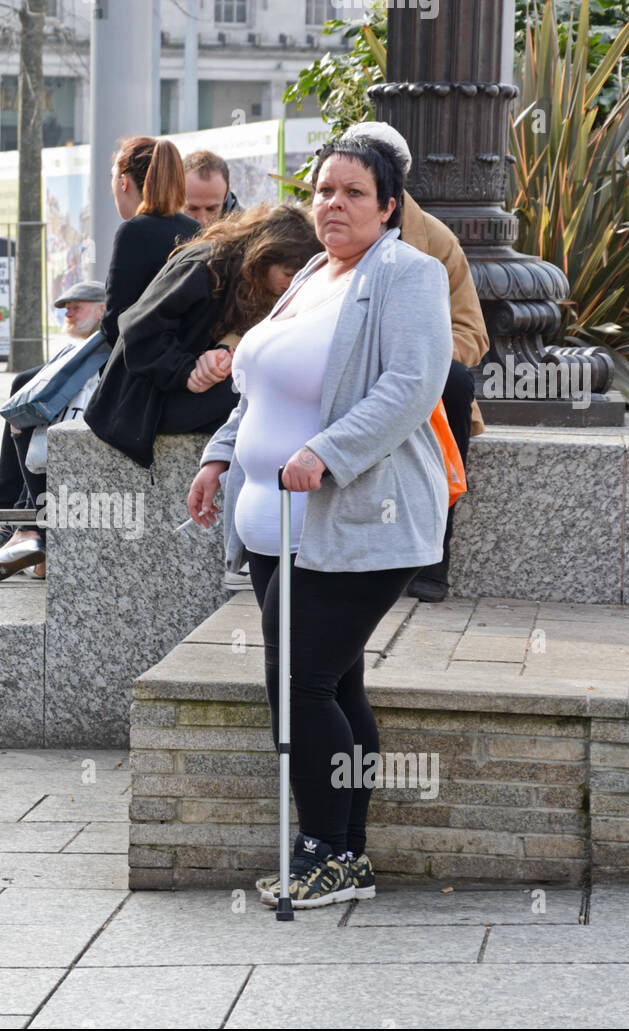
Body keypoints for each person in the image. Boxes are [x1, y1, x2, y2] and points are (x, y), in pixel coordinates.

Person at [186, 137, 452, 909]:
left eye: (353, 193)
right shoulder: (309, 274)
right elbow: (260, 388)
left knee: (301, 684)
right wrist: (218, 457)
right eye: (324, 190)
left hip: (359, 521)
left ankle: (323, 851)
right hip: (275, 526)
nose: (332, 204)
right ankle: (351, 856)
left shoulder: (408, 275)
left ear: (389, 205)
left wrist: (327, 454)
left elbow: (411, 386)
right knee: (337, 685)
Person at [342, 120, 489, 603]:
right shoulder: (317, 228)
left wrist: (411, 354)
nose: (340, 200)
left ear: (392, 192)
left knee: (454, 381)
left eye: (362, 186)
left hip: (419, 382)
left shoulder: (438, 241)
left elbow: (472, 334)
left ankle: (432, 562)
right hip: (334, 369)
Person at [85, 203, 320, 469]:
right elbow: (138, 329)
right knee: (261, 390)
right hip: (140, 404)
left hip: (177, 386)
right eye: (288, 274)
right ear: (263, 256)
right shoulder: (204, 266)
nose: (291, 284)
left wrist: (220, 355)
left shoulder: (250, 278)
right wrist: (186, 371)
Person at [0, 280, 109, 581]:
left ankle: (15, 525)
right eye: (66, 309)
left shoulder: (98, 351)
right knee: (22, 400)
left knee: (25, 405)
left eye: (77, 307)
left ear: (103, 309)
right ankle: (5, 522)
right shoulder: (79, 350)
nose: (69, 313)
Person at [100, 136, 199, 347]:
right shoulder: (196, 230)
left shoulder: (133, 232)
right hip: (188, 362)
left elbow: (115, 322)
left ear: (124, 182)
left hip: (140, 371)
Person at [183, 150, 242, 227]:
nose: (202, 221)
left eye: (211, 209)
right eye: (192, 209)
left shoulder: (250, 233)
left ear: (226, 194)